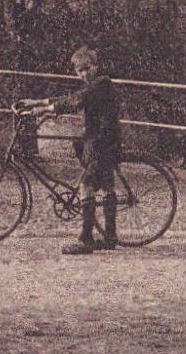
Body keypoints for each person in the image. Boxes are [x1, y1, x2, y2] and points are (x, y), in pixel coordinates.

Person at [25, 45, 122, 255]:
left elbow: (78, 100)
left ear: (95, 66)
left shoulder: (102, 84)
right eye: (80, 71)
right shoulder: (93, 86)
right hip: (97, 141)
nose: (84, 73)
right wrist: (41, 101)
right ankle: (110, 236)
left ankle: (86, 239)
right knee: (106, 186)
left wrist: (45, 109)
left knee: (87, 185)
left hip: (104, 143)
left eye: (87, 68)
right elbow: (75, 96)